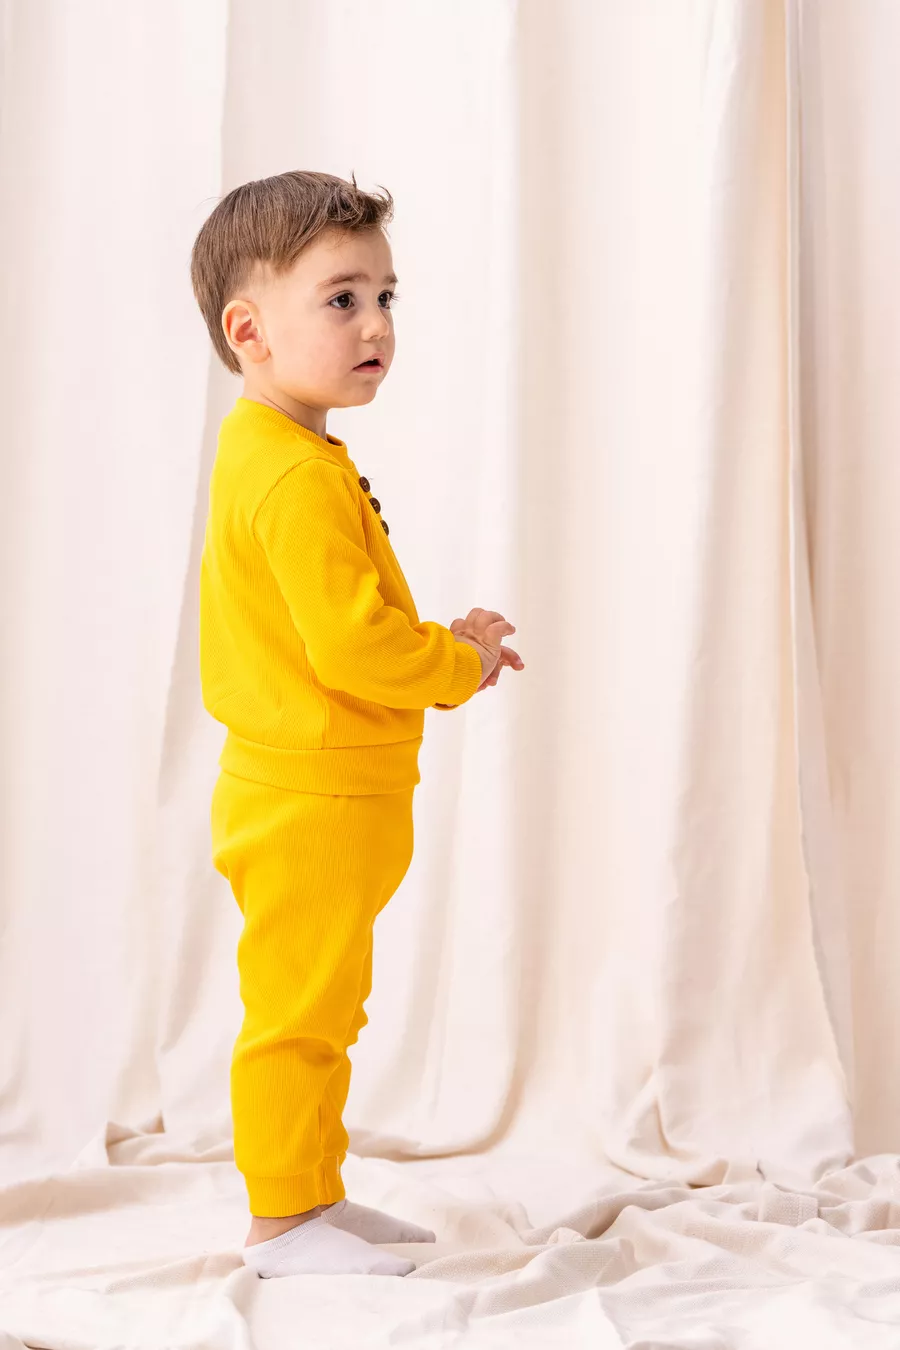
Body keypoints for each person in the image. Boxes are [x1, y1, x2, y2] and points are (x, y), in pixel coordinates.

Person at [190, 170, 524, 1278]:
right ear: (249, 332)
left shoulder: (284, 451)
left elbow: (335, 626)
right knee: (302, 1013)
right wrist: (460, 661)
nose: (376, 324)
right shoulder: (291, 477)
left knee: (327, 1005)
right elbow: (353, 649)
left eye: (385, 297)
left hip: (323, 788)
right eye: (341, 299)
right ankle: (283, 1222)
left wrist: (436, 639)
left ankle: (313, 1195)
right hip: (310, 801)